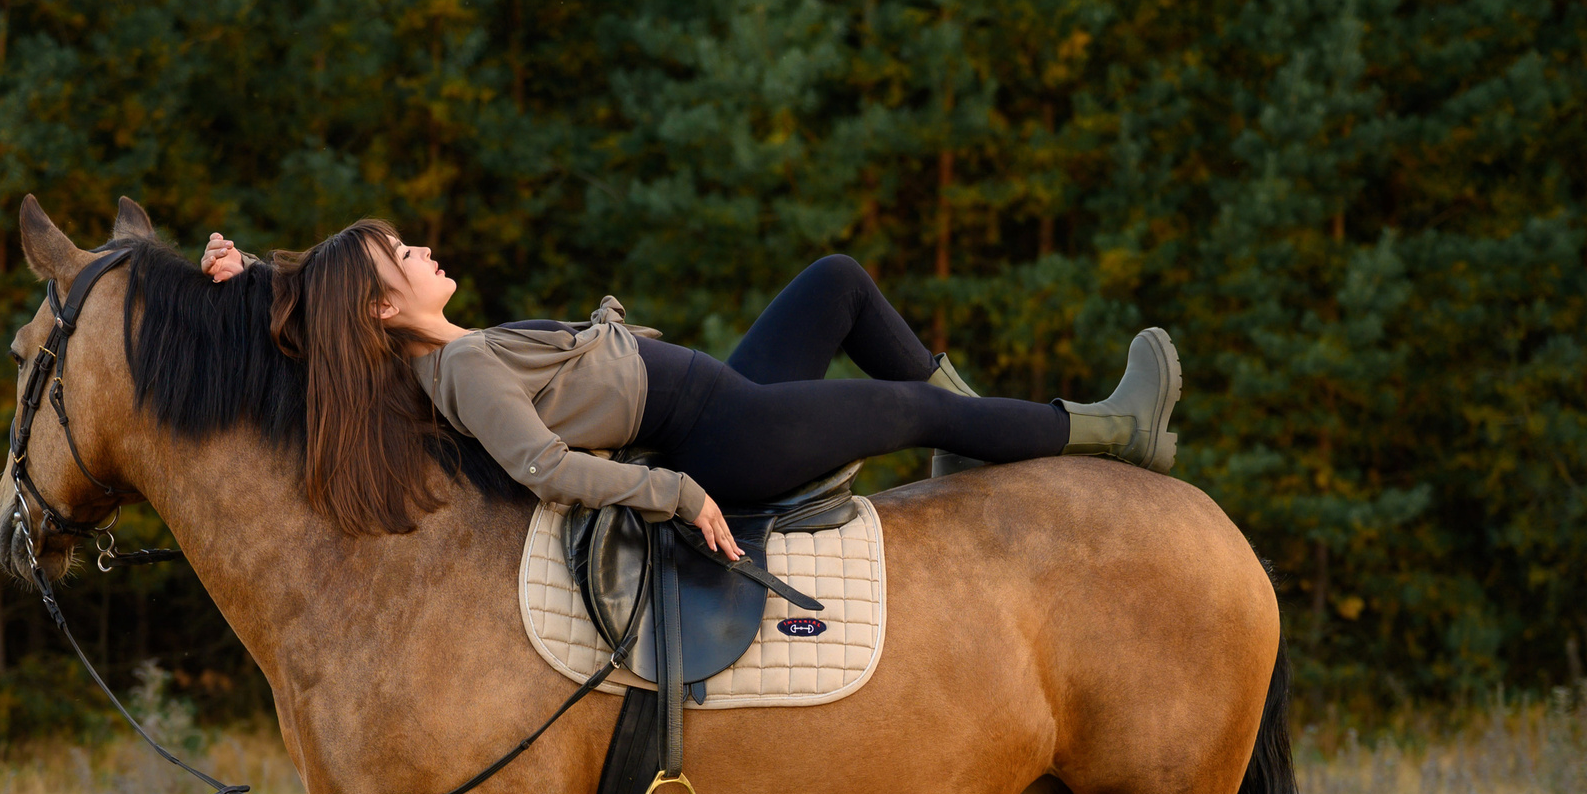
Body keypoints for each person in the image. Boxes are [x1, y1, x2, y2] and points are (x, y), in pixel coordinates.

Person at [198, 224, 1179, 558]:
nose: (419, 247)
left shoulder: (442, 347)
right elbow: (541, 467)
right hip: (724, 436)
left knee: (836, 282)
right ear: (379, 308)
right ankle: (1117, 431)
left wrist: (251, 277)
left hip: (723, 389)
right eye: (399, 254)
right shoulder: (457, 366)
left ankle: (976, 439)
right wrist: (676, 492)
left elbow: (323, 300)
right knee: (914, 408)